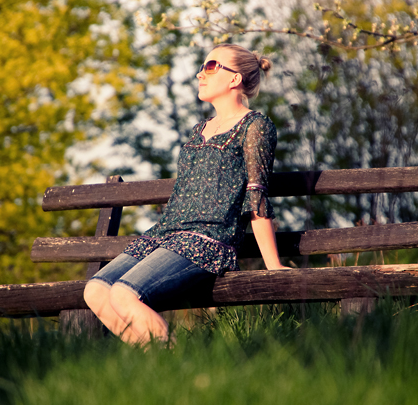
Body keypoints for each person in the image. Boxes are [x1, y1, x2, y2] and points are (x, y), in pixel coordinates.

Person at [83, 44, 289, 345]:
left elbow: (256, 194)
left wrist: (273, 264)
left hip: (207, 240)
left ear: (235, 79)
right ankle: (155, 361)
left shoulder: (255, 126)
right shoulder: (199, 129)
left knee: (124, 293)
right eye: (202, 67)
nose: (199, 74)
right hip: (166, 234)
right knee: (96, 290)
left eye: (210, 66)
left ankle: (174, 363)